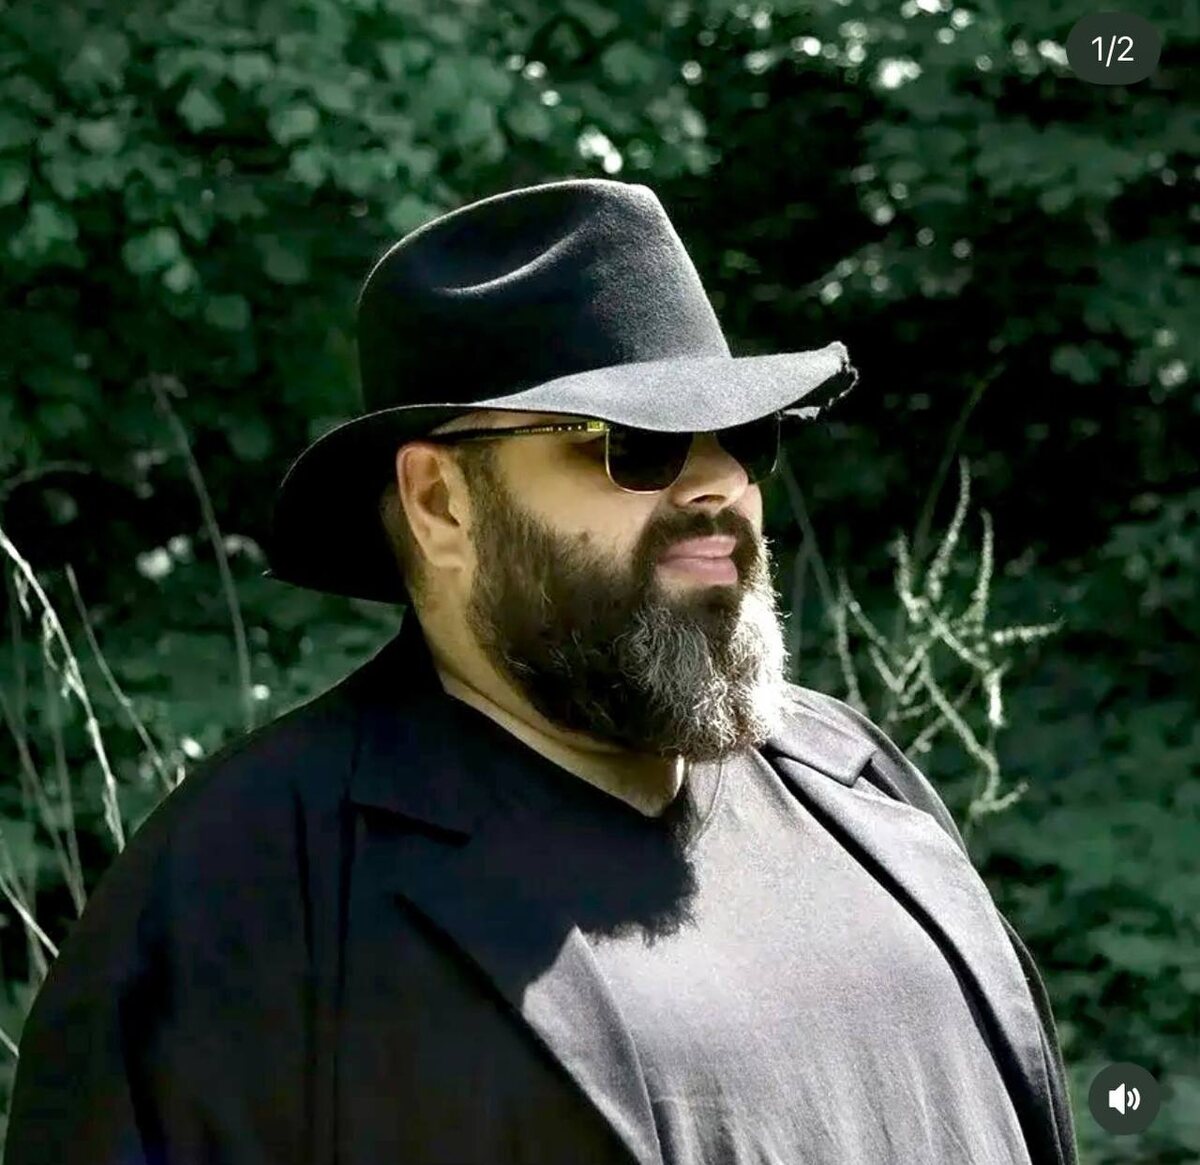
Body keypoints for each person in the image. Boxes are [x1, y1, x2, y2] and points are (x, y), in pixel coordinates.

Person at [4, 179, 1077, 1165]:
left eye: (742, 434)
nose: (717, 484)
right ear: (440, 502)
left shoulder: (863, 795)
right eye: (636, 443)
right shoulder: (241, 905)